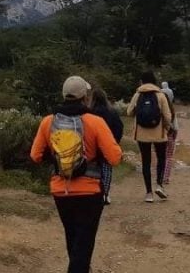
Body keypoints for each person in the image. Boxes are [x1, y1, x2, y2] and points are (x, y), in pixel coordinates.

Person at [31, 76, 123, 273]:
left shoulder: (48, 121)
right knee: (84, 243)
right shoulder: (95, 122)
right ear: (84, 96)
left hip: (60, 191)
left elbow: (35, 155)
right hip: (89, 192)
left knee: (73, 239)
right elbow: (115, 158)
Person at [126, 71, 172, 203]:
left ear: (142, 81)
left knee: (146, 162)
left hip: (141, 134)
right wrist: (168, 128)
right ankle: (159, 185)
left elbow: (129, 112)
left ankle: (148, 193)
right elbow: (167, 116)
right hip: (159, 134)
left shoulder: (137, 95)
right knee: (161, 158)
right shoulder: (160, 95)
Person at [89, 86, 124, 204]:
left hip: (92, 146)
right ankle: (105, 193)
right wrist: (115, 142)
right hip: (107, 145)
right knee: (107, 169)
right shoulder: (112, 112)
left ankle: (93, 192)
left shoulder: (89, 112)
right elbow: (119, 127)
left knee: (93, 170)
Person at [160, 81, 178, 185]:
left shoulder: (158, 109)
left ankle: (159, 174)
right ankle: (166, 177)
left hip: (160, 136)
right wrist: (174, 136)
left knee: (160, 156)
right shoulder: (172, 110)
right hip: (170, 135)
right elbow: (175, 127)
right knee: (169, 156)